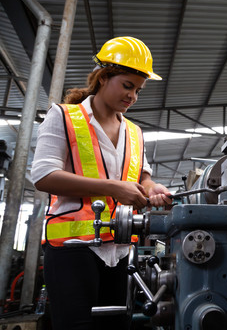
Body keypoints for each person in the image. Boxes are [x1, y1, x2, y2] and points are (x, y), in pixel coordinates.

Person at [31, 36, 173, 330]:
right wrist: (112, 187)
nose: (133, 96)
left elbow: (142, 178)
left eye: (138, 90)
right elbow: (43, 176)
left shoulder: (134, 132)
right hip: (72, 249)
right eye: (127, 85)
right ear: (103, 77)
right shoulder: (64, 116)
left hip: (120, 251)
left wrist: (152, 188)